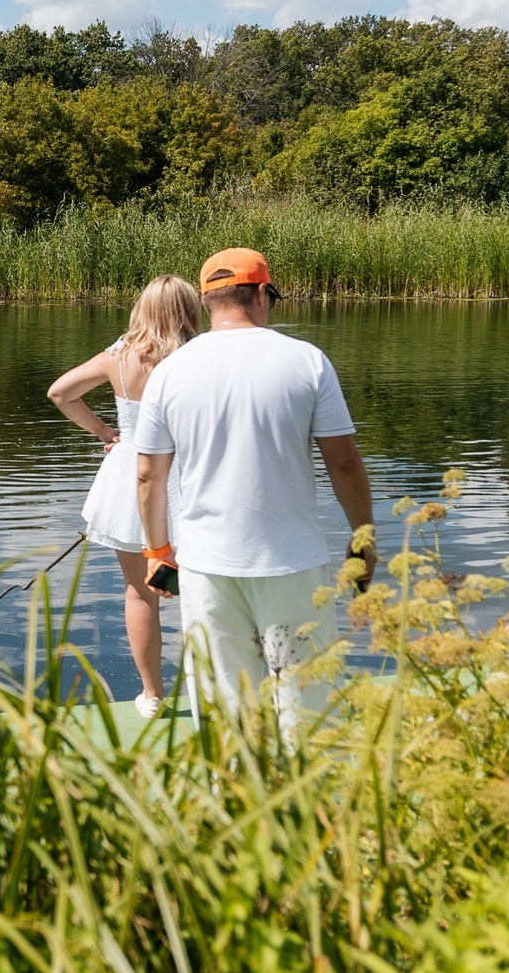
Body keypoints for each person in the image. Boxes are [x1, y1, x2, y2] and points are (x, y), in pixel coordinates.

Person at [134, 248, 375, 727]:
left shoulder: (169, 372)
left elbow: (147, 476)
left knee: (226, 714)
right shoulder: (307, 361)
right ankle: (312, 801)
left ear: (208, 302)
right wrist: (363, 538)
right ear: (263, 294)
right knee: (307, 706)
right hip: (293, 563)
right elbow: (344, 464)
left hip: (205, 567)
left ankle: (230, 798)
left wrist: (158, 550)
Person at [47, 274, 204, 715]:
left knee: (141, 592)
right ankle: (207, 690)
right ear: (190, 310)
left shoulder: (118, 356)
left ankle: (152, 695)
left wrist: (104, 432)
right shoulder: (197, 355)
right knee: (199, 591)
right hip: (186, 474)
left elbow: (60, 392)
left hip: (131, 476)